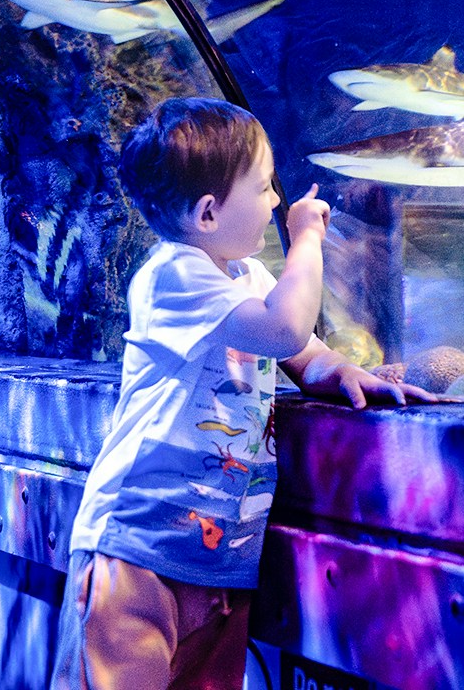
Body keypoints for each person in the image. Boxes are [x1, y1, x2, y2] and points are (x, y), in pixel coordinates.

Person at [50, 97, 428, 690]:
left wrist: (342, 371)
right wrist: (305, 239)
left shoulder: (247, 279)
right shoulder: (173, 275)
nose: (276, 200)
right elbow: (285, 329)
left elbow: (300, 352)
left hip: (220, 559)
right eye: (262, 188)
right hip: (137, 549)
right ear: (207, 214)